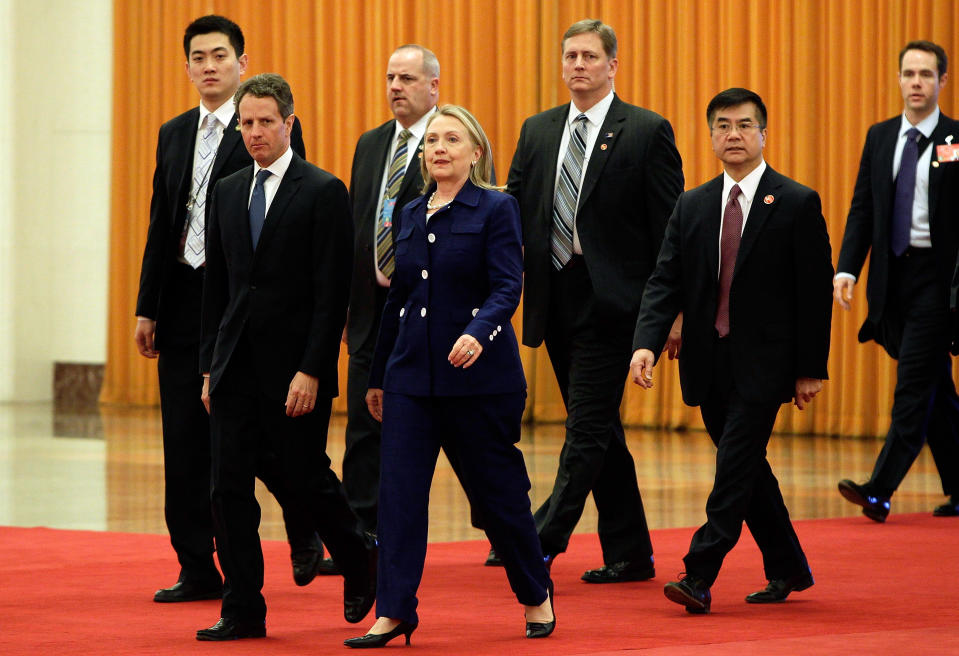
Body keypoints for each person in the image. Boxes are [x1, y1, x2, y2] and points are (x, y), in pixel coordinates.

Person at [345, 105, 554, 648]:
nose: (439, 148)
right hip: (411, 378)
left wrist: (479, 331)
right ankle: (393, 612)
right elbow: (400, 300)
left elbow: (508, 286)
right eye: (432, 140)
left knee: (500, 496)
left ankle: (535, 594)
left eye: (452, 139)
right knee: (399, 498)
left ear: (475, 152)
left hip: (479, 381)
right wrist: (376, 373)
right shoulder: (409, 211)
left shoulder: (496, 208)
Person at [133, 14, 323, 603]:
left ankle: (306, 527)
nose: (208, 66)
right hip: (184, 300)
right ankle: (197, 566)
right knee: (183, 441)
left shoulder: (264, 128)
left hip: (246, 310)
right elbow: (162, 224)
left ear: (243, 63)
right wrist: (147, 305)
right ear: (187, 67)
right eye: (198, 57)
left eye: (220, 56)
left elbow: (293, 228)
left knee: (259, 442)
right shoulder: (172, 132)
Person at [632, 88, 833, 613]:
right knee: (746, 468)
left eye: (745, 125)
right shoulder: (693, 203)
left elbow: (813, 295)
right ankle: (788, 566)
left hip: (767, 364)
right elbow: (664, 280)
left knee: (734, 466)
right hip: (707, 360)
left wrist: (810, 368)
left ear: (764, 135)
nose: (734, 135)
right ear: (712, 136)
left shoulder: (795, 201)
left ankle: (698, 573)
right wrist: (646, 345)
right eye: (723, 126)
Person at [197, 73, 375, 641]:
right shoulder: (225, 191)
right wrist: (208, 366)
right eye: (246, 123)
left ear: (289, 124)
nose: (254, 133)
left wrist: (313, 368)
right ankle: (243, 606)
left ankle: (358, 556)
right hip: (233, 368)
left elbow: (332, 293)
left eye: (265, 122)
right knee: (227, 491)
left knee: (304, 477)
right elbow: (217, 292)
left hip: (296, 368)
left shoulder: (322, 190)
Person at [506, 18, 683, 582]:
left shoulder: (646, 130)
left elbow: (669, 232)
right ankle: (630, 552)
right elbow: (513, 209)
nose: (578, 65)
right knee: (601, 427)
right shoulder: (537, 130)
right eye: (570, 56)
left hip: (616, 304)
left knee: (584, 428)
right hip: (554, 297)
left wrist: (671, 312)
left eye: (589, 56)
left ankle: (538, 540)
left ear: (612, 65)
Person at [344, 43, 489, 565]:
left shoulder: (446, 143)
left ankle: (497, 521)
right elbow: (360, 228)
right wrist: (350, 309)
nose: (395, 87)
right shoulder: (370, 143)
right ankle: (361, 534)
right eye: (390, 77)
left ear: (434, 86)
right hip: (373, 310)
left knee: (463, 438)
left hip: (437, 314)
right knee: (364, 424)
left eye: (407, 77)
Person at [835, 40, 959, 521]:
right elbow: (863, 208)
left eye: (926, 75)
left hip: (939, 279)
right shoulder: (881, 136)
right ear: (899, 79)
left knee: (913, 384)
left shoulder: (956, 139)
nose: (915, 83)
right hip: (893, 278)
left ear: (941, 82)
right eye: (909, 74)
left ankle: (879, 489)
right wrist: (847, 267)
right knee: (936, 390)